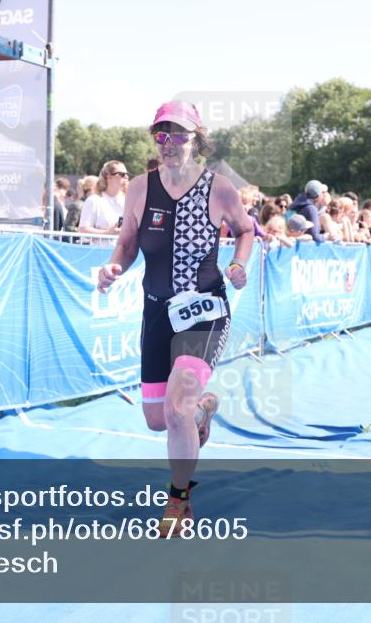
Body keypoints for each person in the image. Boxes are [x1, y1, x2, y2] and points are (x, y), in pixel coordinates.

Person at [96, 100, 253, 537]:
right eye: (161, 135)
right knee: (157, 418)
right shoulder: (139, 189)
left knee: (176, 407)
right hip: (157, 312)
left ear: (196, 138)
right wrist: (113, 267)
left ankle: (179, 501)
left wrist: (239, 264)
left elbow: (244, 229)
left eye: (179, 134)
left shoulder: (218, 187)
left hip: (204, 311)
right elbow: (127, 244)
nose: (169, 143)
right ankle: (204, 411)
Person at [78, 161, 127, 236]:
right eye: (122, 174)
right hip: (100, 247)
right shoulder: (94, 200)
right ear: (109, 176)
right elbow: (83, 229)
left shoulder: (127, 200)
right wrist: (108, 233)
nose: (126, 177)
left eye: (126, 174)